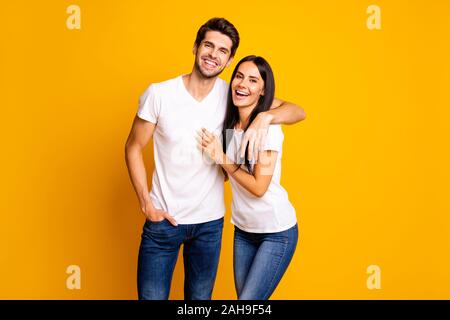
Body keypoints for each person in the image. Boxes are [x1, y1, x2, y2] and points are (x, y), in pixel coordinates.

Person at [125, 18, 305, 300]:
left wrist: (266, 118)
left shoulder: (234, 97)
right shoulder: (160, 94)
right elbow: (133, 147)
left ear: (229, 59)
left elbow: (298, 111)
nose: (213, 54)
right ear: (196, 47)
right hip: (164, 222)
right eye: (208, 45)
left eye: (223, 50)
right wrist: (146, 204)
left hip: (210, 225)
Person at [198, 55, 301, 300]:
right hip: (243, 230)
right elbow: (225, 175)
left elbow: (258, 188)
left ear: (262, 90)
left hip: (276, 232)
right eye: (239, 76)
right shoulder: (232, 125)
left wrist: (219, 155)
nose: (243, 84)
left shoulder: (268, 130)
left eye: (253, 80)